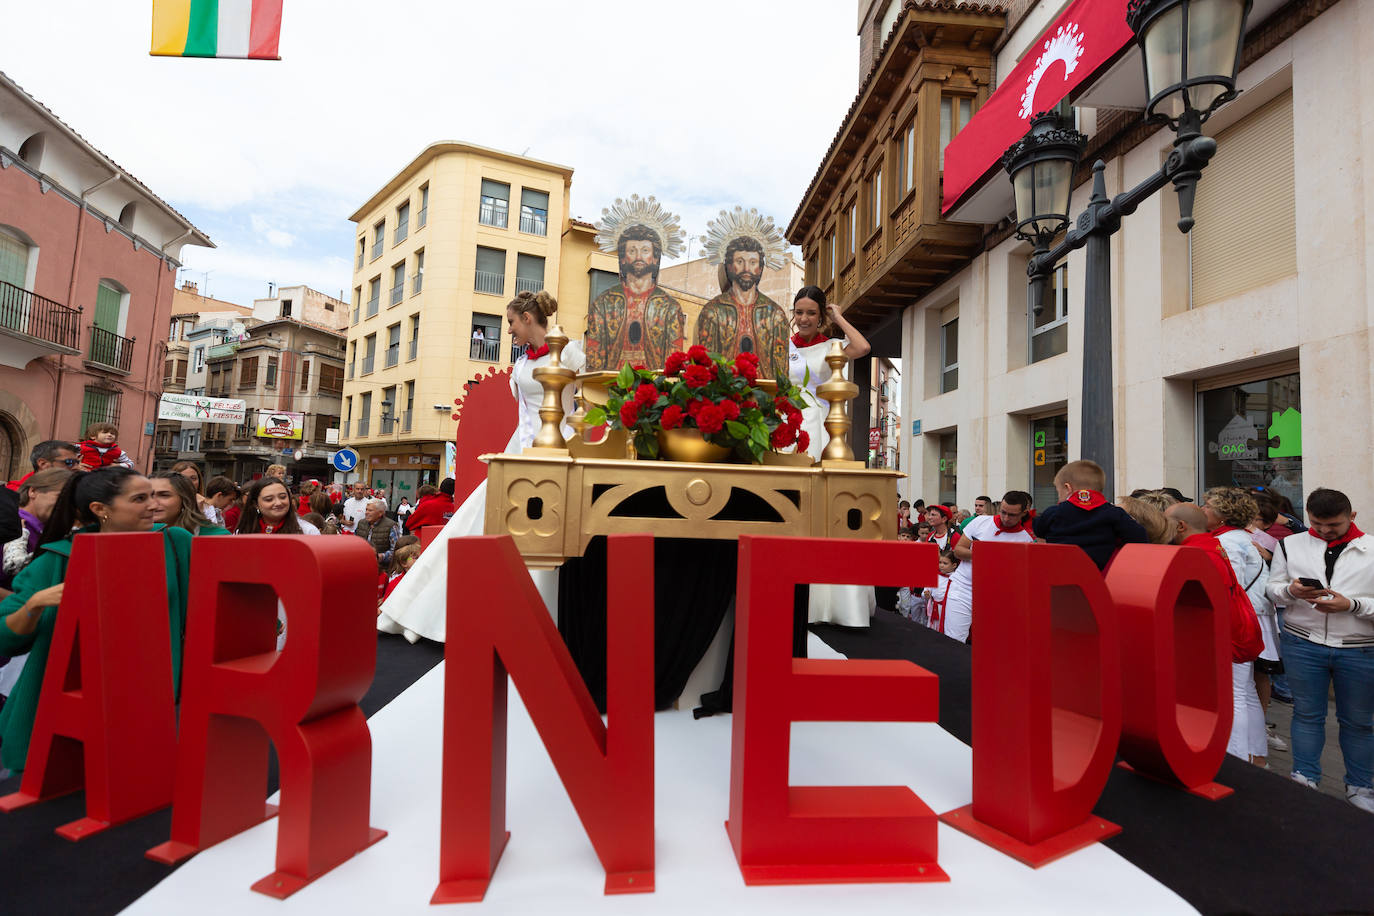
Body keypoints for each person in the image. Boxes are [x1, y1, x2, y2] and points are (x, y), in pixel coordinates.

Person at [378, 290, 585, 642]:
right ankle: (440, 611)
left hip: (561, 448)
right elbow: (524, 415)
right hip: (519, 450)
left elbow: (585, 402)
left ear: (528, 318)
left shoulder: (570, 352)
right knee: (481, 526)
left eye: (510, 323)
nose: (508, 331)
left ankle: (532, 616)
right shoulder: (520, 366)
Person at [0, 468, 192, 774]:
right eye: (140, 498)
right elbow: (6, 637)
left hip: (149, 707)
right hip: (63, 721)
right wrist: (35, 604)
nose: (153, 505)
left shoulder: (175, 543)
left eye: (155, 495)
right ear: (100, 509)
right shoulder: (56, 560)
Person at [1265, 487, 1374, 812]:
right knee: (1307, 715)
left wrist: (1351, 605)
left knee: (1358, 722)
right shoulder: (1290, 543)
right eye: (1317, 524)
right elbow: (1273, 590)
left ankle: (1361, 787)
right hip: (1303, 642)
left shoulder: (1371, 549)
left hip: (1360, 648)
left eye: (1334, 526)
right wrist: (1291, 591)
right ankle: (1305, 778)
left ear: (1351, 517)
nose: (1325, 531)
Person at [1167, 502, 1267, 767]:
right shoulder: (1213, 545)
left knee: (1232, 698)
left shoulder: (1195, 552)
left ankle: (1235, 763)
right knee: (1243, 694)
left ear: (1180, 526)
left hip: (1223, 634)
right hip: (1236, 629)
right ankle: (1253, 757)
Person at [584, 200, 686, 371]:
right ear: (623, 258)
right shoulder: (603, 304)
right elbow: (594, 361)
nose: (639, 256)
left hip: (653, 393)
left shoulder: (670, 308)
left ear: (655, 258)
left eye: (645, 251)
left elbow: (673, 364)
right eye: (632, 251)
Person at [787, 286, 870, 462]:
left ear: (820, 317)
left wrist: (838, 318)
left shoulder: (831, 347)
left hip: (820, 420)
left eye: (811, 313)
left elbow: (863, 347)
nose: (803, 319)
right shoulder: (783, 347)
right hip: (788, 419)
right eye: (799, 312)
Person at [696, 224, 789, 379]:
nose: (747, 268)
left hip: (764, 398)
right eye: (740, 261)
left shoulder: (775, 314)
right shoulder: (713, 311)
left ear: (760, 268)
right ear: (730, 266)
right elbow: (705, 366)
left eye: (753, 262)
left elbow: (782, 371)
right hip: (724, 397)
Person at [949, 492, 1035, 644]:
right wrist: (988, 555)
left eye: (1012, 515)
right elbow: (958, 550)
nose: (1006, 518)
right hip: (963, 589)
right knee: (954, 639)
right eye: (1003, 512)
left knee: (989, 642)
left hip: (996, 595)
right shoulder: (980, 521)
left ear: (1023, 513)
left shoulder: (1026, 539)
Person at [1032, 460, 1148, 570]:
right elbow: (1140, 537)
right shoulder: (1114, 513)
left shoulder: (1054, 512)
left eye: (1058, 491)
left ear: (1068, 488)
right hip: (1098, 577)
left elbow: (1038, 528)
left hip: (1059, 573)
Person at [150, 472, 230, 536]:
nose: (153, 502)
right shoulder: (145, 531)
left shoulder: (216, 536)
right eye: (148, 496)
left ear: (185, 499)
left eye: (164, 495)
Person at [235, 477, 320, 535]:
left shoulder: (308, 531)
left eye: (283, 497)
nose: (278, 503)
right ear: (255, 504)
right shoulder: (243, 532)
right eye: (269, 499)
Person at [7, 440, 80, 492]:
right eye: (69, 462)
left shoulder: (75, 492)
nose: (77, 467)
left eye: (77, 462)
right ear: (43, 464)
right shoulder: (12, 496)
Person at [355, 499, 399, 570]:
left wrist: (381, 557)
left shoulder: (391, 525)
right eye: (366, 510)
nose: (366, 512)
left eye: (370, 510)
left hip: (381, 569)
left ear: (380, 513)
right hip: (360, 566)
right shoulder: (361, 523)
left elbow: (396, 550)